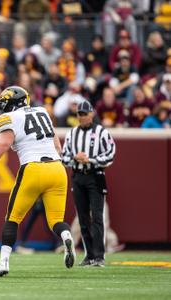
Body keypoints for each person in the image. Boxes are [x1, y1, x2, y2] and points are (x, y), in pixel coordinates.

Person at [0, 86, 76, 277]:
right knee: (56, 221)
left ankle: (3, 262)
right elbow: (57, 146)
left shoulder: (10, 118)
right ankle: (66, 236)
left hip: (33, 168)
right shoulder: (43, 112)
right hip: (57, 169)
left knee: (12, 219)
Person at [62, 100, 116, 267]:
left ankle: (99, 255)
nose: (82, 117)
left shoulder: (101, 132)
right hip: (78, 176)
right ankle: (89, 255)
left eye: (85, 114)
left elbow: (111, 154)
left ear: (92, 114)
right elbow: (63, 156)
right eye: (80, 114)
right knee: (83, 218)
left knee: (97, 217)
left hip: (95, 176)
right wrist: (74, 158)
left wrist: (91, 159)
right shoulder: (72, 133)